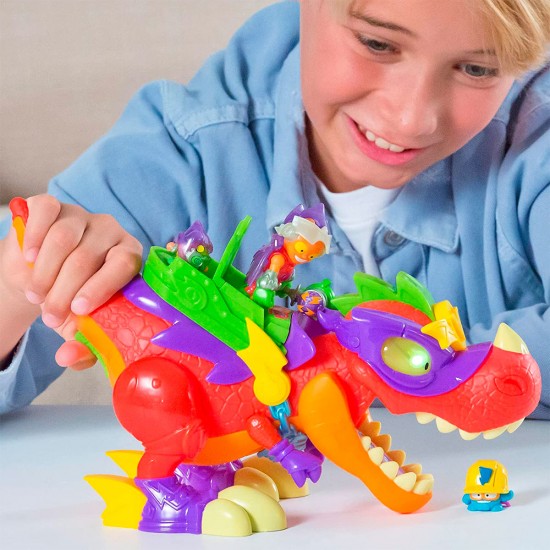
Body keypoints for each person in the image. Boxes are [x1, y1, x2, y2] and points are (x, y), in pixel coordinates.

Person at [0, 0, 549, 420]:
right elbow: (30, 272)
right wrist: (19, 283)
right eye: (377, 43)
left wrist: (346, 373)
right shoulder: (188, 149)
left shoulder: (536, 130)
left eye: (477, 69)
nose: (410, 118)